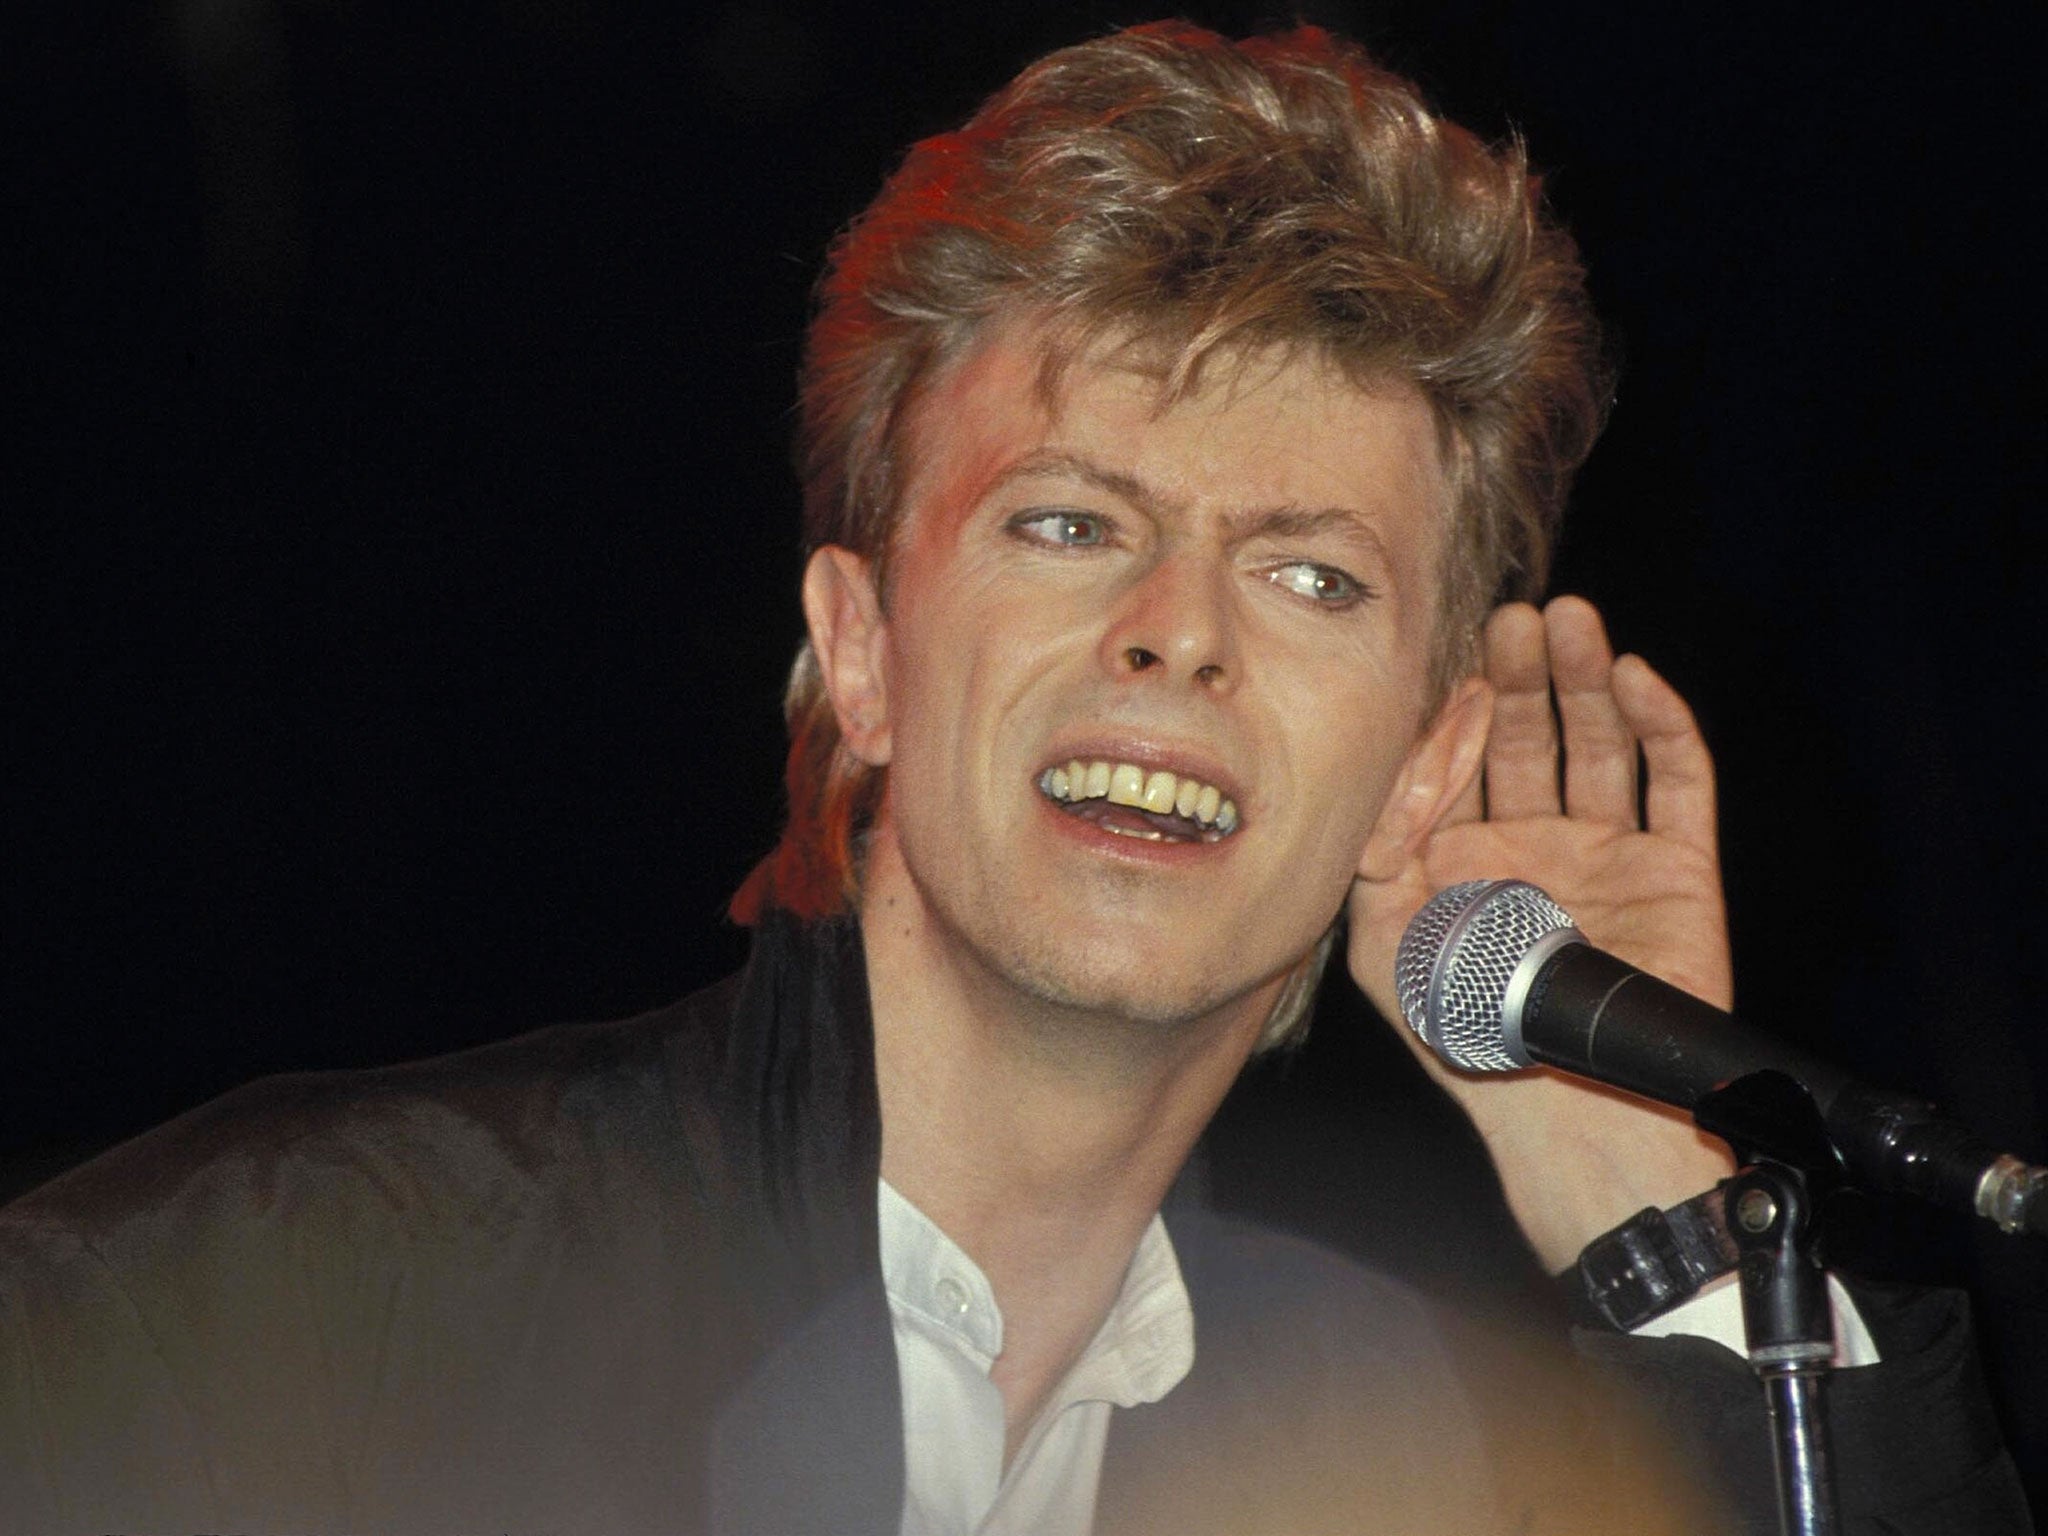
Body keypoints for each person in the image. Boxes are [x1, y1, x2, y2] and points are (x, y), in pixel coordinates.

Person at [0, 21, 2026, 1535]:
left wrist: (1657, 1218)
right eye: (1068, 525)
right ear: (865, 653)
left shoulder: (1426, 1456)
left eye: (1308, 572)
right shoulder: (267, 1303)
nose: (1181, 629)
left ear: (1418, 773)